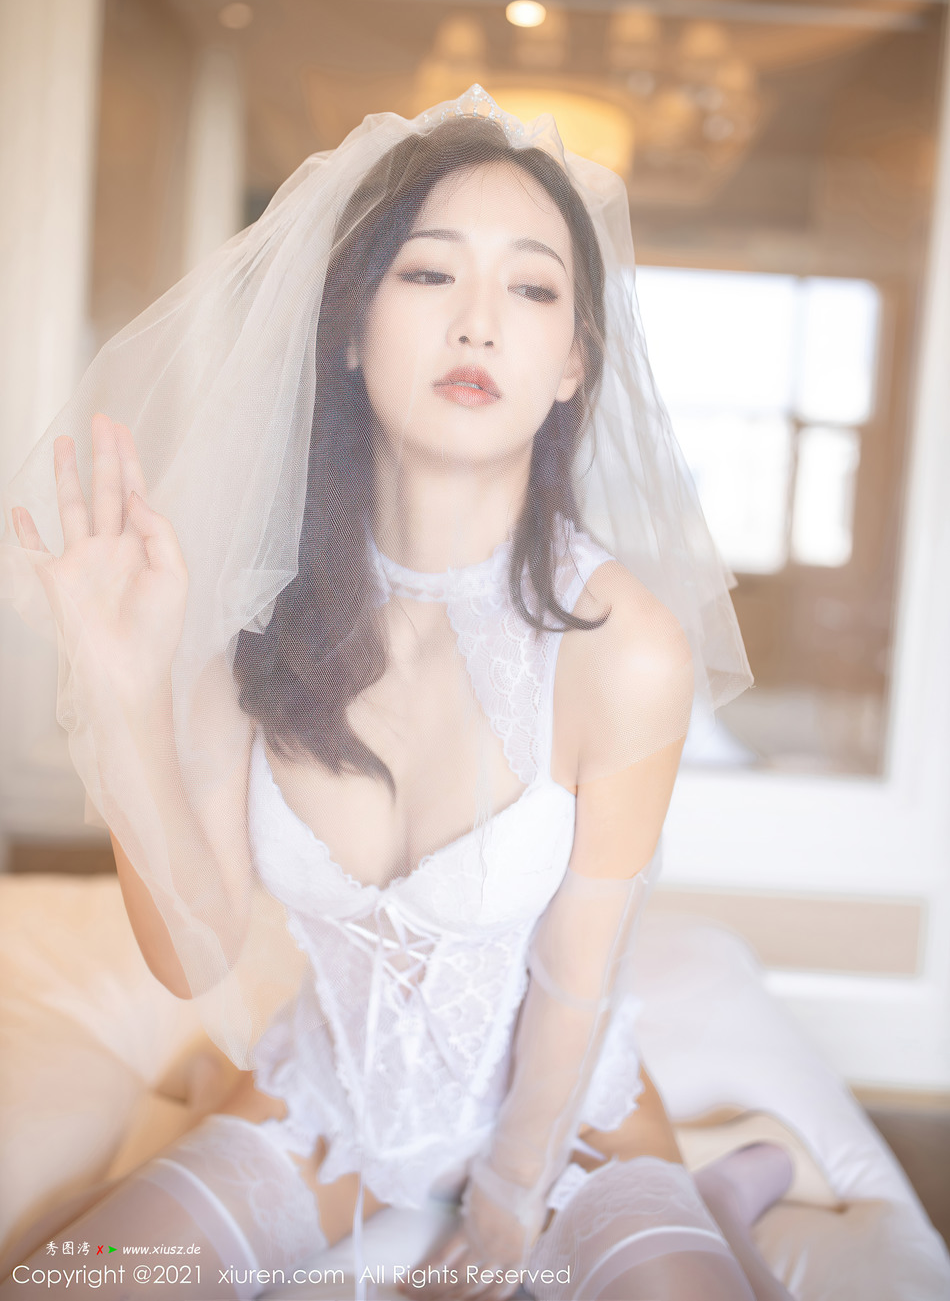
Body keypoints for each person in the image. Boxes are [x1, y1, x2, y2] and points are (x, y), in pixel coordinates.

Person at [0, 88, 791, 1300]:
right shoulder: (250, 622)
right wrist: (121, 688)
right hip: (324, 1112)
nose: (478, 323)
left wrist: (508, 1203)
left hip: (563, 1123)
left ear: (572, 361)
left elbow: (576, 973)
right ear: (351, 331)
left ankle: (713, 1195)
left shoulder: (623, 647)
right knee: (75, 1280)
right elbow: (193, 953)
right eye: (427, 274)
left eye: (530, 289)